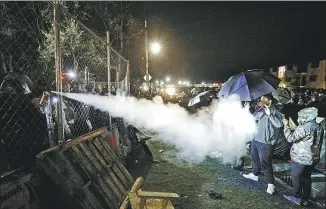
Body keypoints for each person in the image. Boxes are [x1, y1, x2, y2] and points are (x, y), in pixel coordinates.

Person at [243, 94, 284, 195]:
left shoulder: (276, 111)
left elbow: (279, 124)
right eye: (260, 100)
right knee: (255, 159)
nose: (260, 102)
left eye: (263, 100)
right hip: (255, 139)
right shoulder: (259, 109)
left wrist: (270, 114)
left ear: (269, 101)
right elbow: (252, 120)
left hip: (266, 142)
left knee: (265, 163)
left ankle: (271, 184)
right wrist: (246, 109)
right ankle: (255, 174)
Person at [282, 107, 324, 206]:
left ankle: (297, 197)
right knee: (306, 178)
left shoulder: (304, 127)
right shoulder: (319, 127)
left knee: (296, 177)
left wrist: (286, 126)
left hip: (300, 158)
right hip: (312, 159)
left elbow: (290, 138)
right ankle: (305, 198)